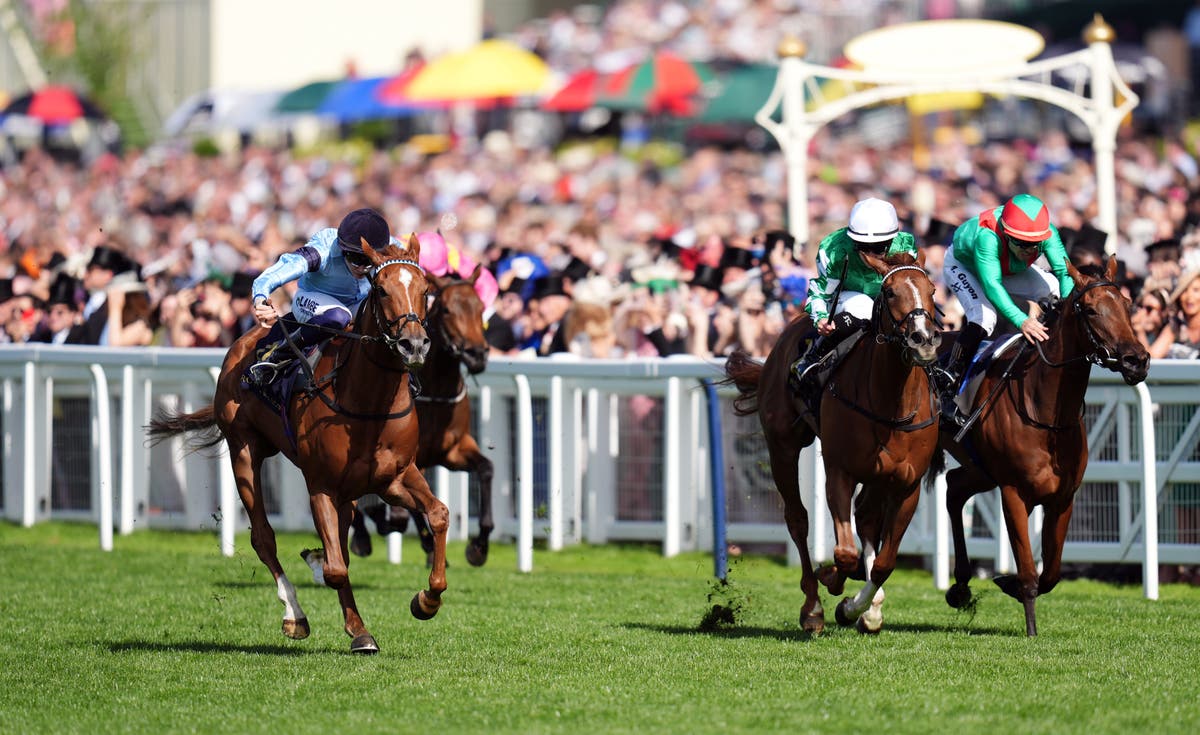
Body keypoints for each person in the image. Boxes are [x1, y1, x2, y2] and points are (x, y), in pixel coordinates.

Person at [939, 194, 1073, 420]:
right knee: (985, 317)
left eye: (1034, 244)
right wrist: (1023, 321)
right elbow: (992, 285)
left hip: (1004, 267)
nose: (1029, 250)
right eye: (1021, 242)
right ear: (1006, 232)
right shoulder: (988, 236)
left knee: (1054, 288)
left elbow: (1064, 272)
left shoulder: (1048, 233)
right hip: (964, 266)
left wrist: (1069, 314)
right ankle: (948, 382)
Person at [247, 208, 391, 383]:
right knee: (339, 316)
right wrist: (261, 299)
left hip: (356, 305)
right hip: (311, 300)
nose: (362, 268)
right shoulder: (322, 251)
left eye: (368, 260)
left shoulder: (390, 246)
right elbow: (273, 275)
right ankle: (279, 354)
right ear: (342, 248)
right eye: (355, 258)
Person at [790, 197, 917, 391]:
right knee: (863, 305)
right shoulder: (833, 250)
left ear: (892, 239)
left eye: (878, 247)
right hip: (848, 297)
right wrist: (821, 319)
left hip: (887, 297)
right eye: (863, 246)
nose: (870, 254)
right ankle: (813, 355)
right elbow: (820, 293)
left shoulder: (906, 246)